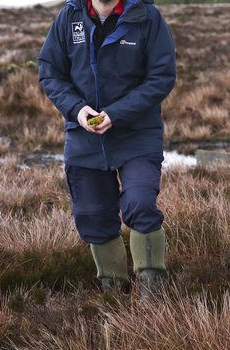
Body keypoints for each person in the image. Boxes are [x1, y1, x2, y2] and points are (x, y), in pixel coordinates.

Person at [38, 0, 176, 296]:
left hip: (136, 133)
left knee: (139, 202)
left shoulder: (147, 17)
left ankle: (153, 296)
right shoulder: (68, 18)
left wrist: (118, 113)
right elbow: (50, 71)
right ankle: (114, 294)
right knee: (93, 216)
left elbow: (162, 76)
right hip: (84, 135)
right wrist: (75, 109)